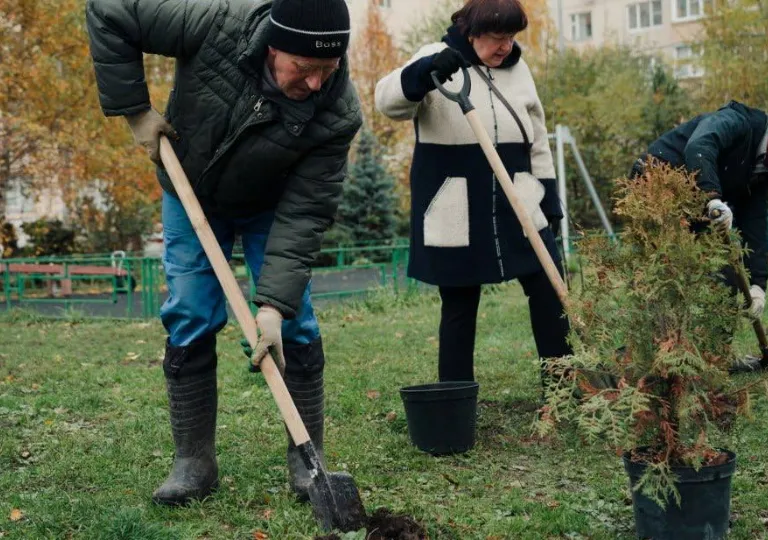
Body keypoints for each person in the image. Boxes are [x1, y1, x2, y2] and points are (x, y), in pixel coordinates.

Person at [86, 0, 361, 505]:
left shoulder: (337, 113)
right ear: (274, 46)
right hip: (189, 185)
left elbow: (305, 215)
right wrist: (134, 111)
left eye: (329, 68)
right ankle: (194, 462)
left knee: (296, 323)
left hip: (273, 206)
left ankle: (308, 463)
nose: (317, 83)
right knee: (189, 312)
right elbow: (110, 10)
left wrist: (274, 306)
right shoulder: (217, 22)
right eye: (305, 68)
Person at [374, 0, 570, 383]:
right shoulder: (434, 56)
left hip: (519, 199)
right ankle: (455, 396)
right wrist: (424, 72)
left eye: (512, 38)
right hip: (457, 203)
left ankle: (562, 387)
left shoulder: (520, 70)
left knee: (548, 286)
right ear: (471, 32)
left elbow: (538, 141)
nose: (506, 47)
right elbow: (387, 101)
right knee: (460, 303)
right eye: (498, 38)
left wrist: (549, 198)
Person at [630, 102, 768, 370]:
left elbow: (755, 221)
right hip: (656, 185)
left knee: (725, 274)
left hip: (696, 199)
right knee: (667, 275)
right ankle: (659, 358)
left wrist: (759, 284)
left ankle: (715, 358)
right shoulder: (736, 121)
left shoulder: (763, 169)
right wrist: (712, 197)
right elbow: (699, 147)